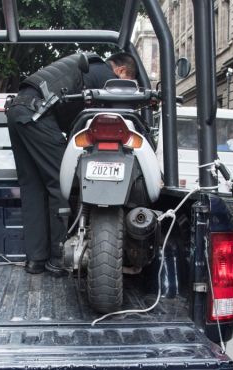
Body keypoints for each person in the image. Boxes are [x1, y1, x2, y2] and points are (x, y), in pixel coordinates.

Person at [7, 51, 136, 275]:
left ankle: (35, 260)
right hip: (38, 113)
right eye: (127, 84)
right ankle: (58, 259)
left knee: (33, 188)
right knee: (60, 182)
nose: (123, 89)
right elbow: (116, 114)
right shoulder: (106, 75)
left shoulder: (87, 68)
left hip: (19, 108)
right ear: (121, 71)